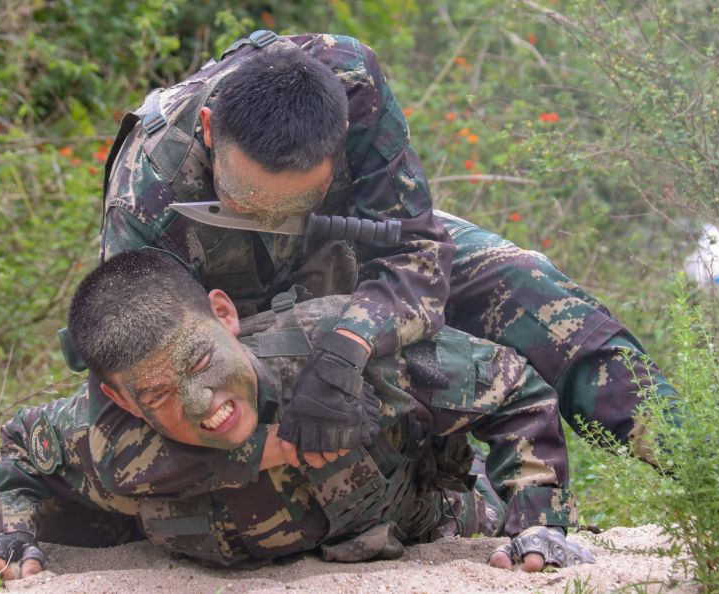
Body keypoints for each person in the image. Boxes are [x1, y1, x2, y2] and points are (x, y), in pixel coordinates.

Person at [98, 31, 679, 466]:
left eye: (292, 204)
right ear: (207, 129)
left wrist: (349, 343)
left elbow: (417, 254)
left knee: (527, 282)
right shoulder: (146, 192)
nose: (271, 221)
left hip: (354, 247)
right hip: (232, 313)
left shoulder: (351, 79)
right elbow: (143, 358)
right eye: (248, 202)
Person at [0, 250, 593, 587]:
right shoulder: (103, 437)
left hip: (421, 516)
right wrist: (6, 538)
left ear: (225, 315)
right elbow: (18, 452)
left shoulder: (343, 353)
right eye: (161, 392)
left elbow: (513, 388)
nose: (203, 402)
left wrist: (536, 526)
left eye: (200, 359)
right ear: (120, 401)